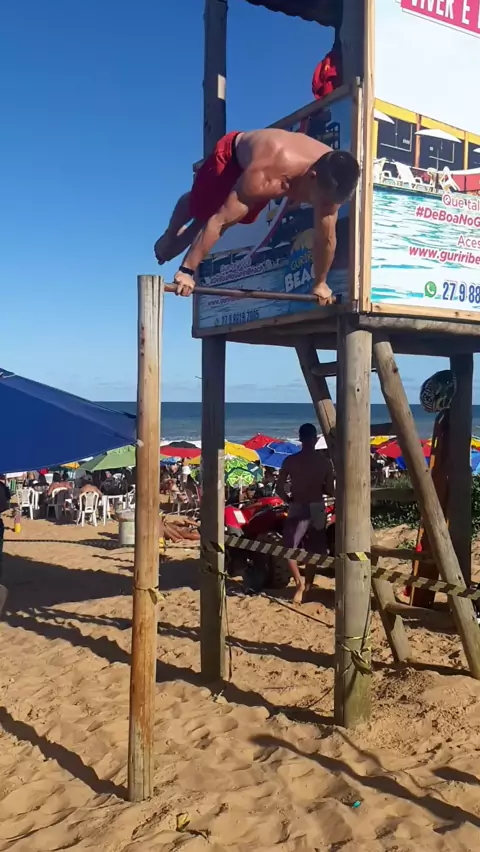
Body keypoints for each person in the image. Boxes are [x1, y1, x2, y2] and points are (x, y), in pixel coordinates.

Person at [154, 130, 360, 305]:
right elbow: (220, 222)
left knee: (243, 218)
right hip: (231, 159)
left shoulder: (334, 183)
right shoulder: (271, 174)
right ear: (312, 177)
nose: (326, 206)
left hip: (268, 173)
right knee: (203, 209)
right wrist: (186, 271)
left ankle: (193, 230)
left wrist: (320, 283)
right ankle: (171, 234)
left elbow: (326, 239)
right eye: (322, 200)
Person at [276, 423, 335, 604]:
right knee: (314, 550)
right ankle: (308, 586)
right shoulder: (324, 462)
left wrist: (288, 499)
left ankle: (299, 584)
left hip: (298, 506)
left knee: (289, 548)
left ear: (300, 439)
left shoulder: (290, 461)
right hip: (317, 506)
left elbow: (279, 489)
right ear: (315, 439)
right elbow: (330, 490)